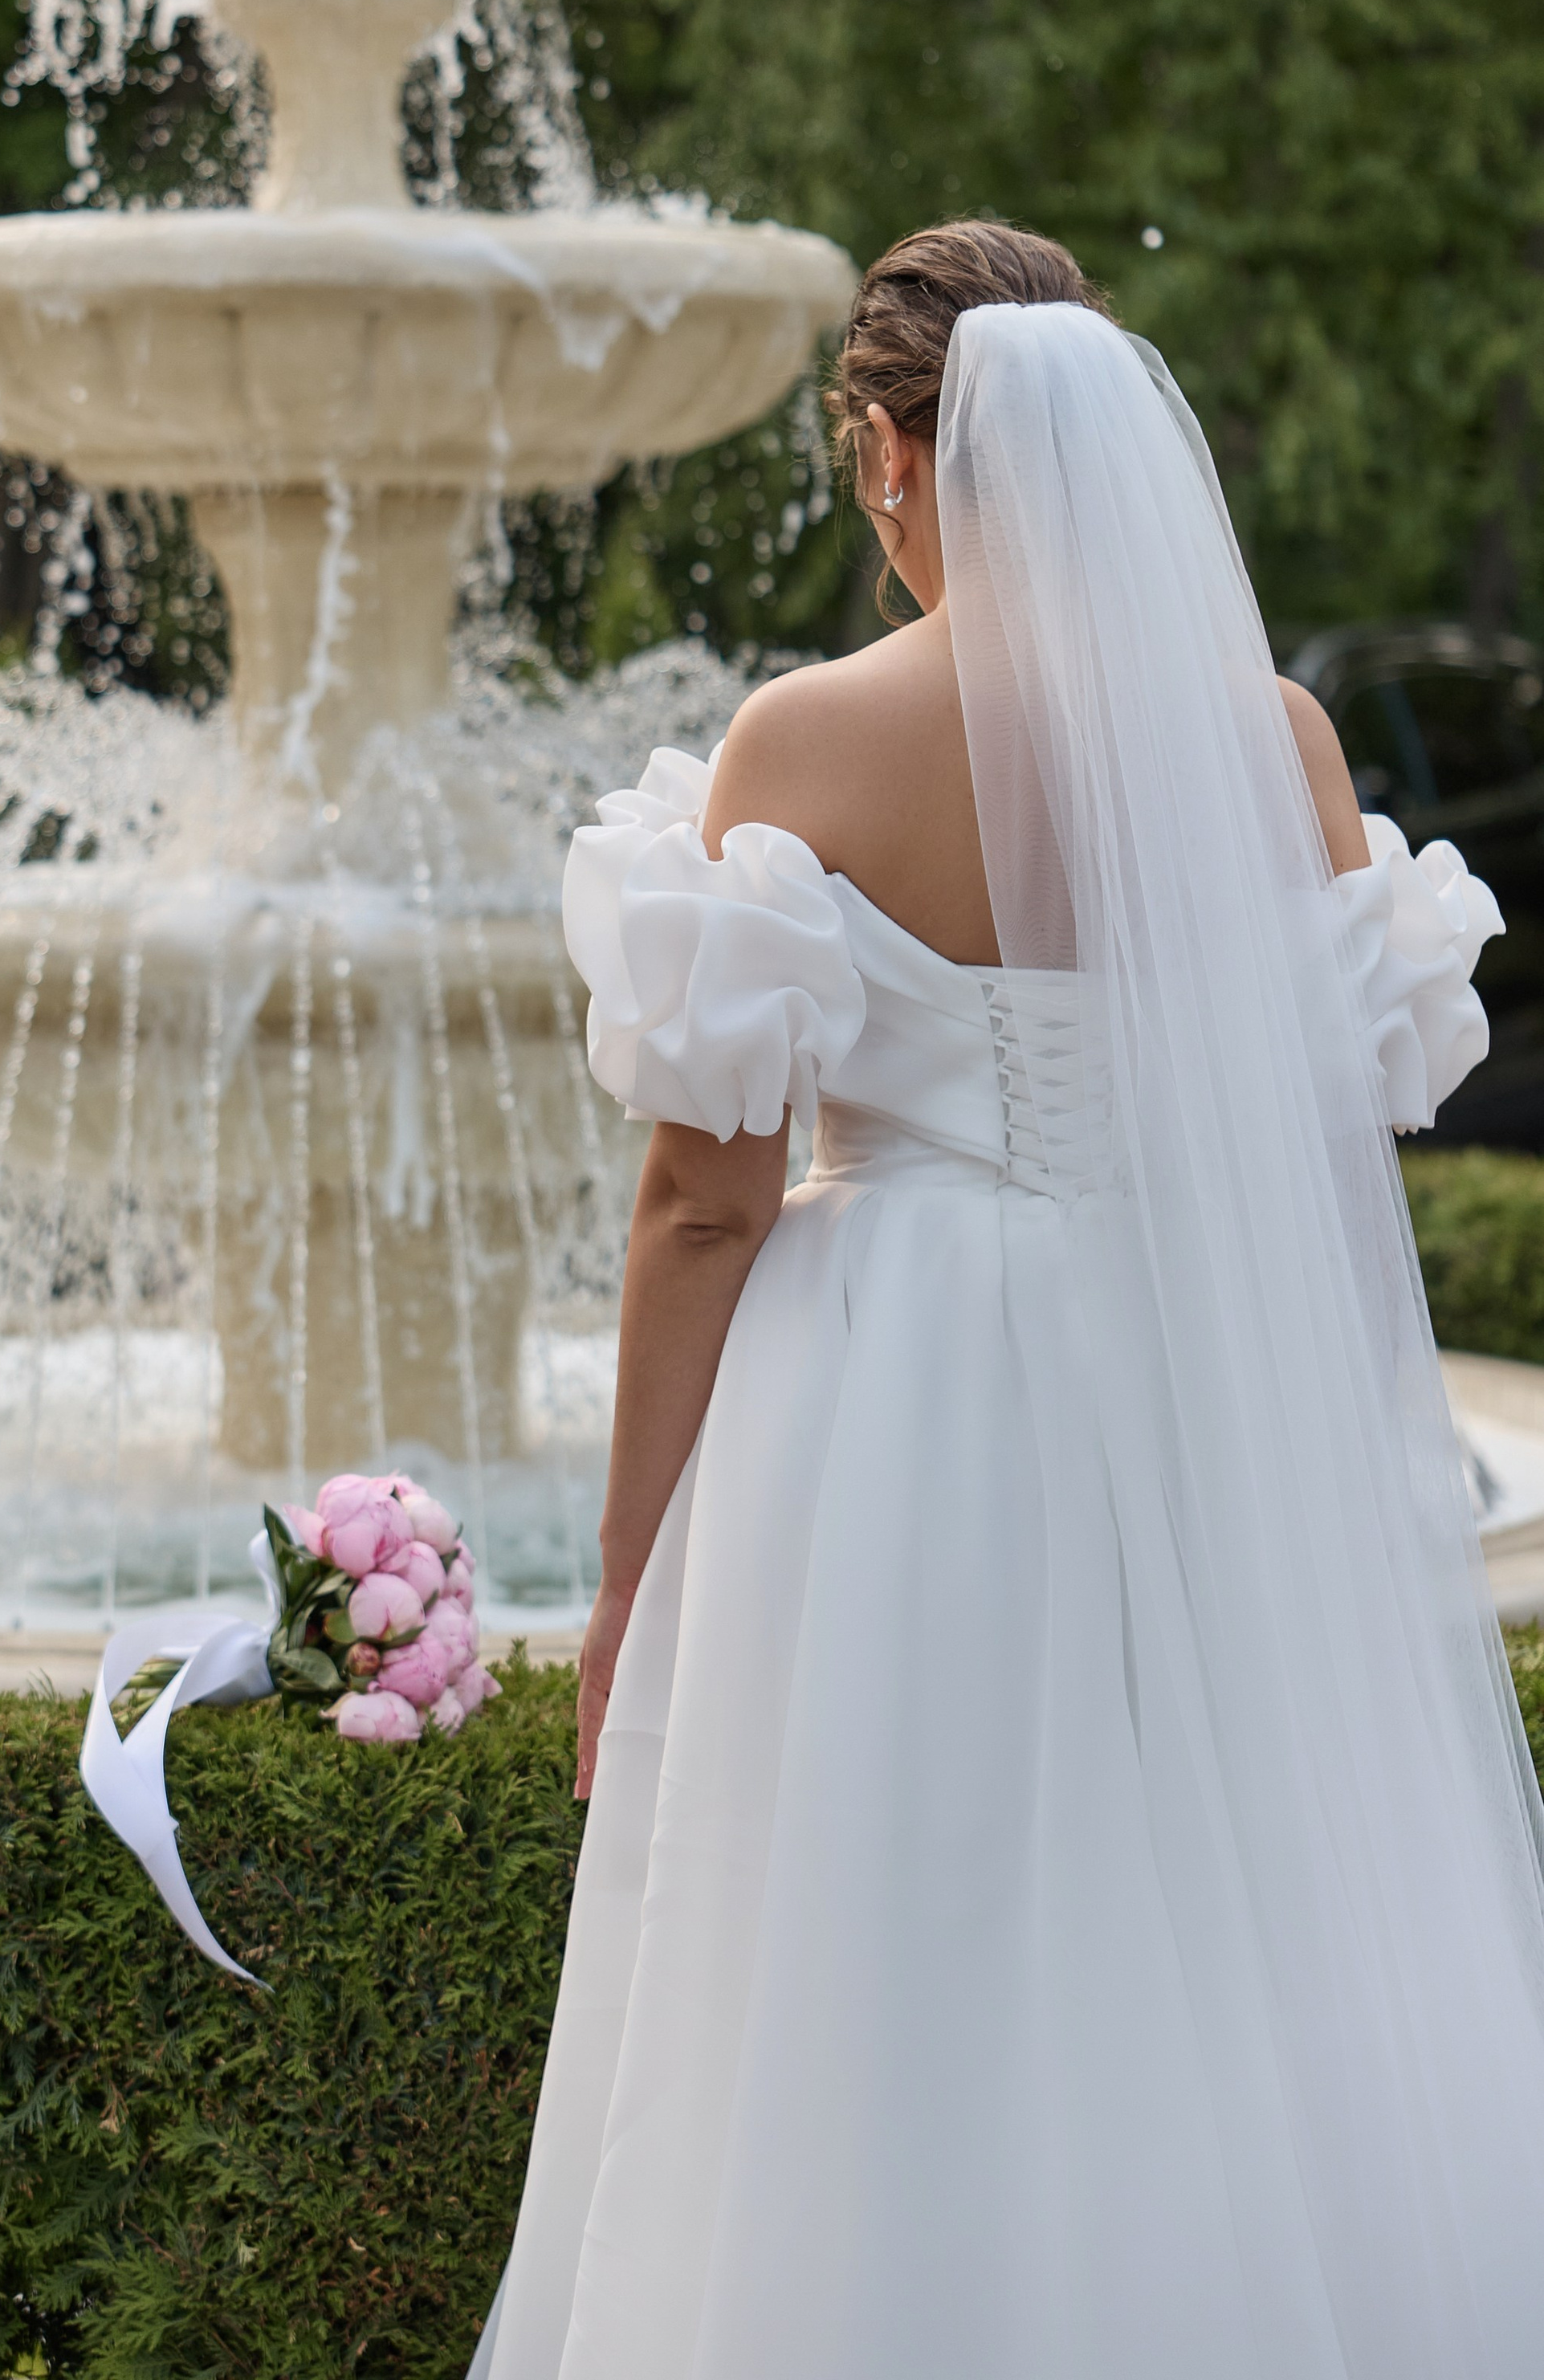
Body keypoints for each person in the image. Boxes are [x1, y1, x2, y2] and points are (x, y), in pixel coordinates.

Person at [471, 222, 1544, 2380]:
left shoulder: (809, 739)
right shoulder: (1285, 747)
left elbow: (703, 1202)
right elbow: (1329, 1171)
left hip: (896, 1399)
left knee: (882, 1945)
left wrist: (622, 1572)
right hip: (1201, 1388)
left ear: (890, 455)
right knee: (1232, 1926)